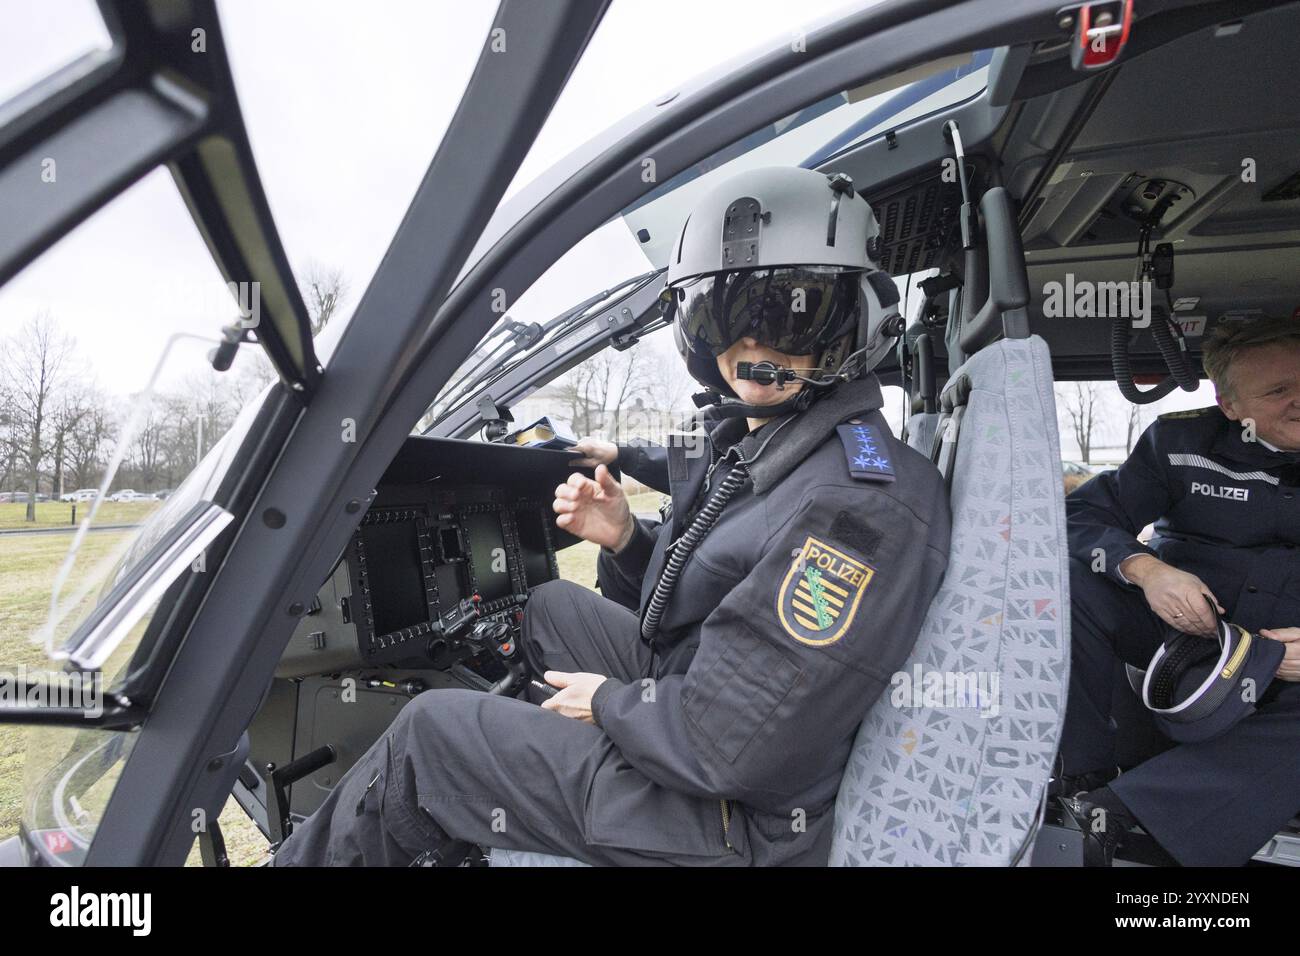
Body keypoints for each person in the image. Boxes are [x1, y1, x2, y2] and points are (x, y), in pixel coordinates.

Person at [273, 166, 951, 867]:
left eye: (788, 311)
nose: (751, 345)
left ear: (853, 321)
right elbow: (722, 595)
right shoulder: (795, 446)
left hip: (737, 821)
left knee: (430, 738)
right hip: (703, 698)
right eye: (724, 315)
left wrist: (606, 707)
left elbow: (733, 748)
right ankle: (515, 795)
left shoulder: (855, 511)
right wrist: (626, 539)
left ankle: (477, 786)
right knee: (549, 606)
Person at [1058, 316, 1300, 866]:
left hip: (1289, 664)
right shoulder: (1180, 441)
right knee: (1065, 583)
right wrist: (1146, 570)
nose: (1299, 401)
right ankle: (1079, 784)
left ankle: (1131, 820)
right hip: (1184, 636)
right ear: (1230, 405)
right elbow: (1080, 516)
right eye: (1279, 390)